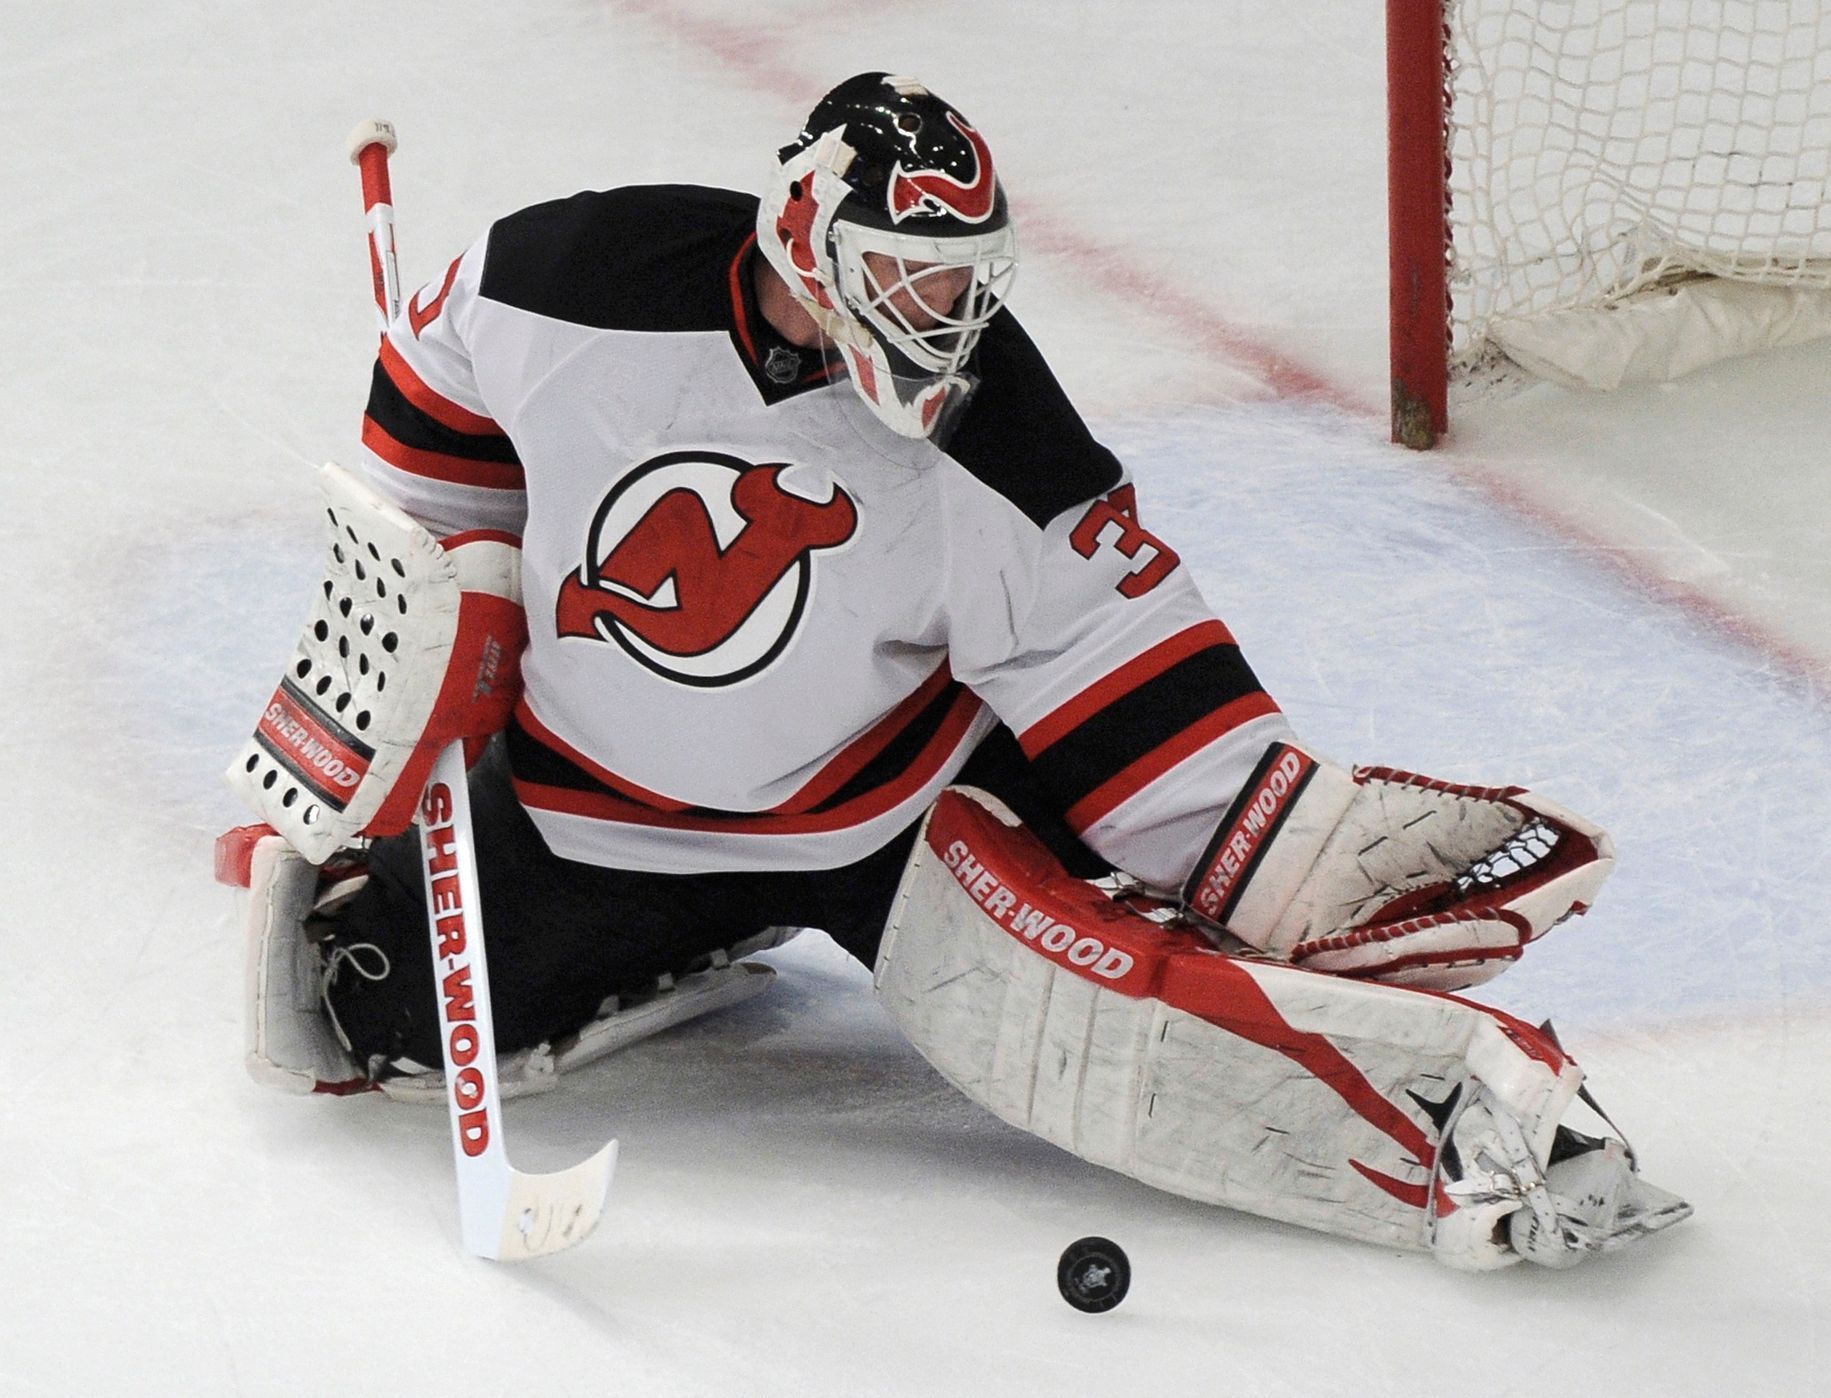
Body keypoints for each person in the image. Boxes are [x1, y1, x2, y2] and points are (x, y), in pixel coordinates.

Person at [223, 72, 1688, 1269]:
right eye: (909, 284)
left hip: (890, 818)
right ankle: (687, 929)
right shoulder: (567, 278)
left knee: (1097, 1030)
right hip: (596, 807)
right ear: (806, 239)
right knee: (350, 1009)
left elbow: (1107, 650)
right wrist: (452, 608)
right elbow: (433, 414)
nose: (948, 324)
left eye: (963, 285)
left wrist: (1276, 848)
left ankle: (1475, 1125)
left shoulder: (997, 427)